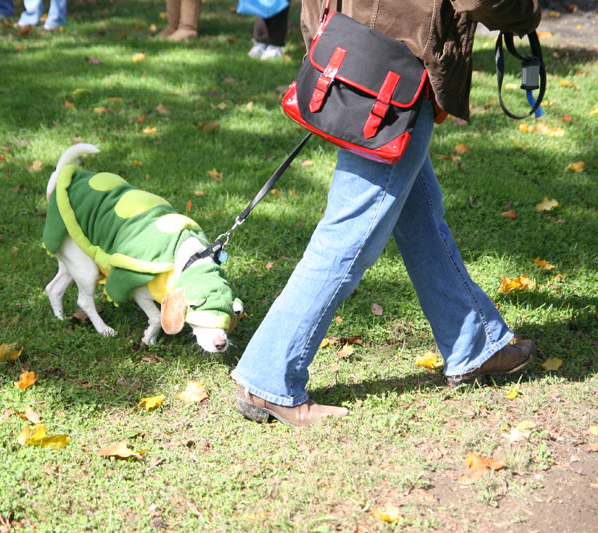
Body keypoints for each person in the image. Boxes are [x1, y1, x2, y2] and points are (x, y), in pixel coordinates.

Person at [231, 0, 542, 427]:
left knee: (419, 220)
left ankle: (474, 342)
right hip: (399, 69)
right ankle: (267, 377)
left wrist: (322, 40)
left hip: (357, 52)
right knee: (350, 233)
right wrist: (524, 13)